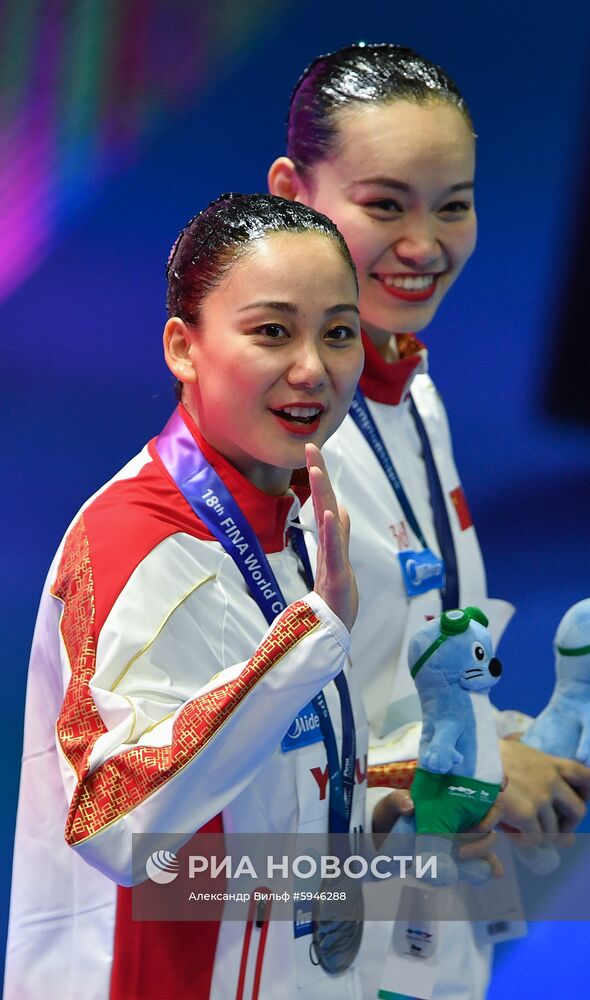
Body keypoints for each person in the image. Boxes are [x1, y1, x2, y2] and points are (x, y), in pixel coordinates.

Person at [268, 44, 590, 998]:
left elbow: (402, 655)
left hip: (418, 919)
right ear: (294, 192)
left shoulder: (408, 384)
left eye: (452, 204)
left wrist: (510, 743)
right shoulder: (270, 447)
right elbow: (235, 760)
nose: (425, 244)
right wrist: (479, 773)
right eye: (384, 205)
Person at [6, 192, 386, 1000]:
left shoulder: (291, 505)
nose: (313, 368)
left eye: (339, 332)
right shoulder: (134, 543)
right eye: (272, 331)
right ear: (184, 347)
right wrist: (307, 640)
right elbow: (116, 821)